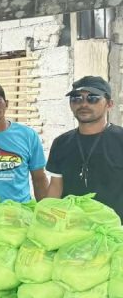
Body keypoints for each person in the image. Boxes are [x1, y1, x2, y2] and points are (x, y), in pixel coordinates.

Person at [46, 76, 123, 220]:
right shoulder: (61, 143)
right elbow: (56, 187)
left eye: (93, 98)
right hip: (70, 227)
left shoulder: (120, 139)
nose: (83, 104)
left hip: (114, 228)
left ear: (109, 104)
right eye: (76, 99)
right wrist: (46, 216)